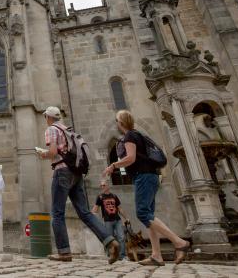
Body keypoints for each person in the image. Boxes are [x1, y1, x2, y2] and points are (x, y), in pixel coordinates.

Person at [104, 110, 190, 266]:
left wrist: (113, 165)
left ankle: (179, 242)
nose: (116, 123)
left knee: (143, 213)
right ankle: (157, 255)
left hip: (143, 176)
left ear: (121, 123)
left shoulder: (130, 136)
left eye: (117, 120)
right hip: (150, 176)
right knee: (149, 217)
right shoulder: (137, 134)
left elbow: (130, 158)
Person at [37, 106, 120, 264]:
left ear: (48, 117)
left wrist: (43, 154)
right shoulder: (68, 129)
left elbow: (53, 152)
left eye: (45, 117)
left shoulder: (51, 130)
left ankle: (64, 252)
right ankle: (110, 241)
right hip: (76, 173)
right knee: (85, 212)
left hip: (62, 172)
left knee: (57, 213)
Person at [95, 180, 127, 260]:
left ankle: (122, 256)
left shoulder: (114, 196)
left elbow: (120, 208)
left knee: (121, 237)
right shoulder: (100, 197)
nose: (102, 187)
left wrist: (126, 218)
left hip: (117, 220)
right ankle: (110, 255)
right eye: (101, 186)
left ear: (108, 186)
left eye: (104, 185)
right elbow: (95, 208)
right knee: (109, 239)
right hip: (107, 221)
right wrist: (90, 217)